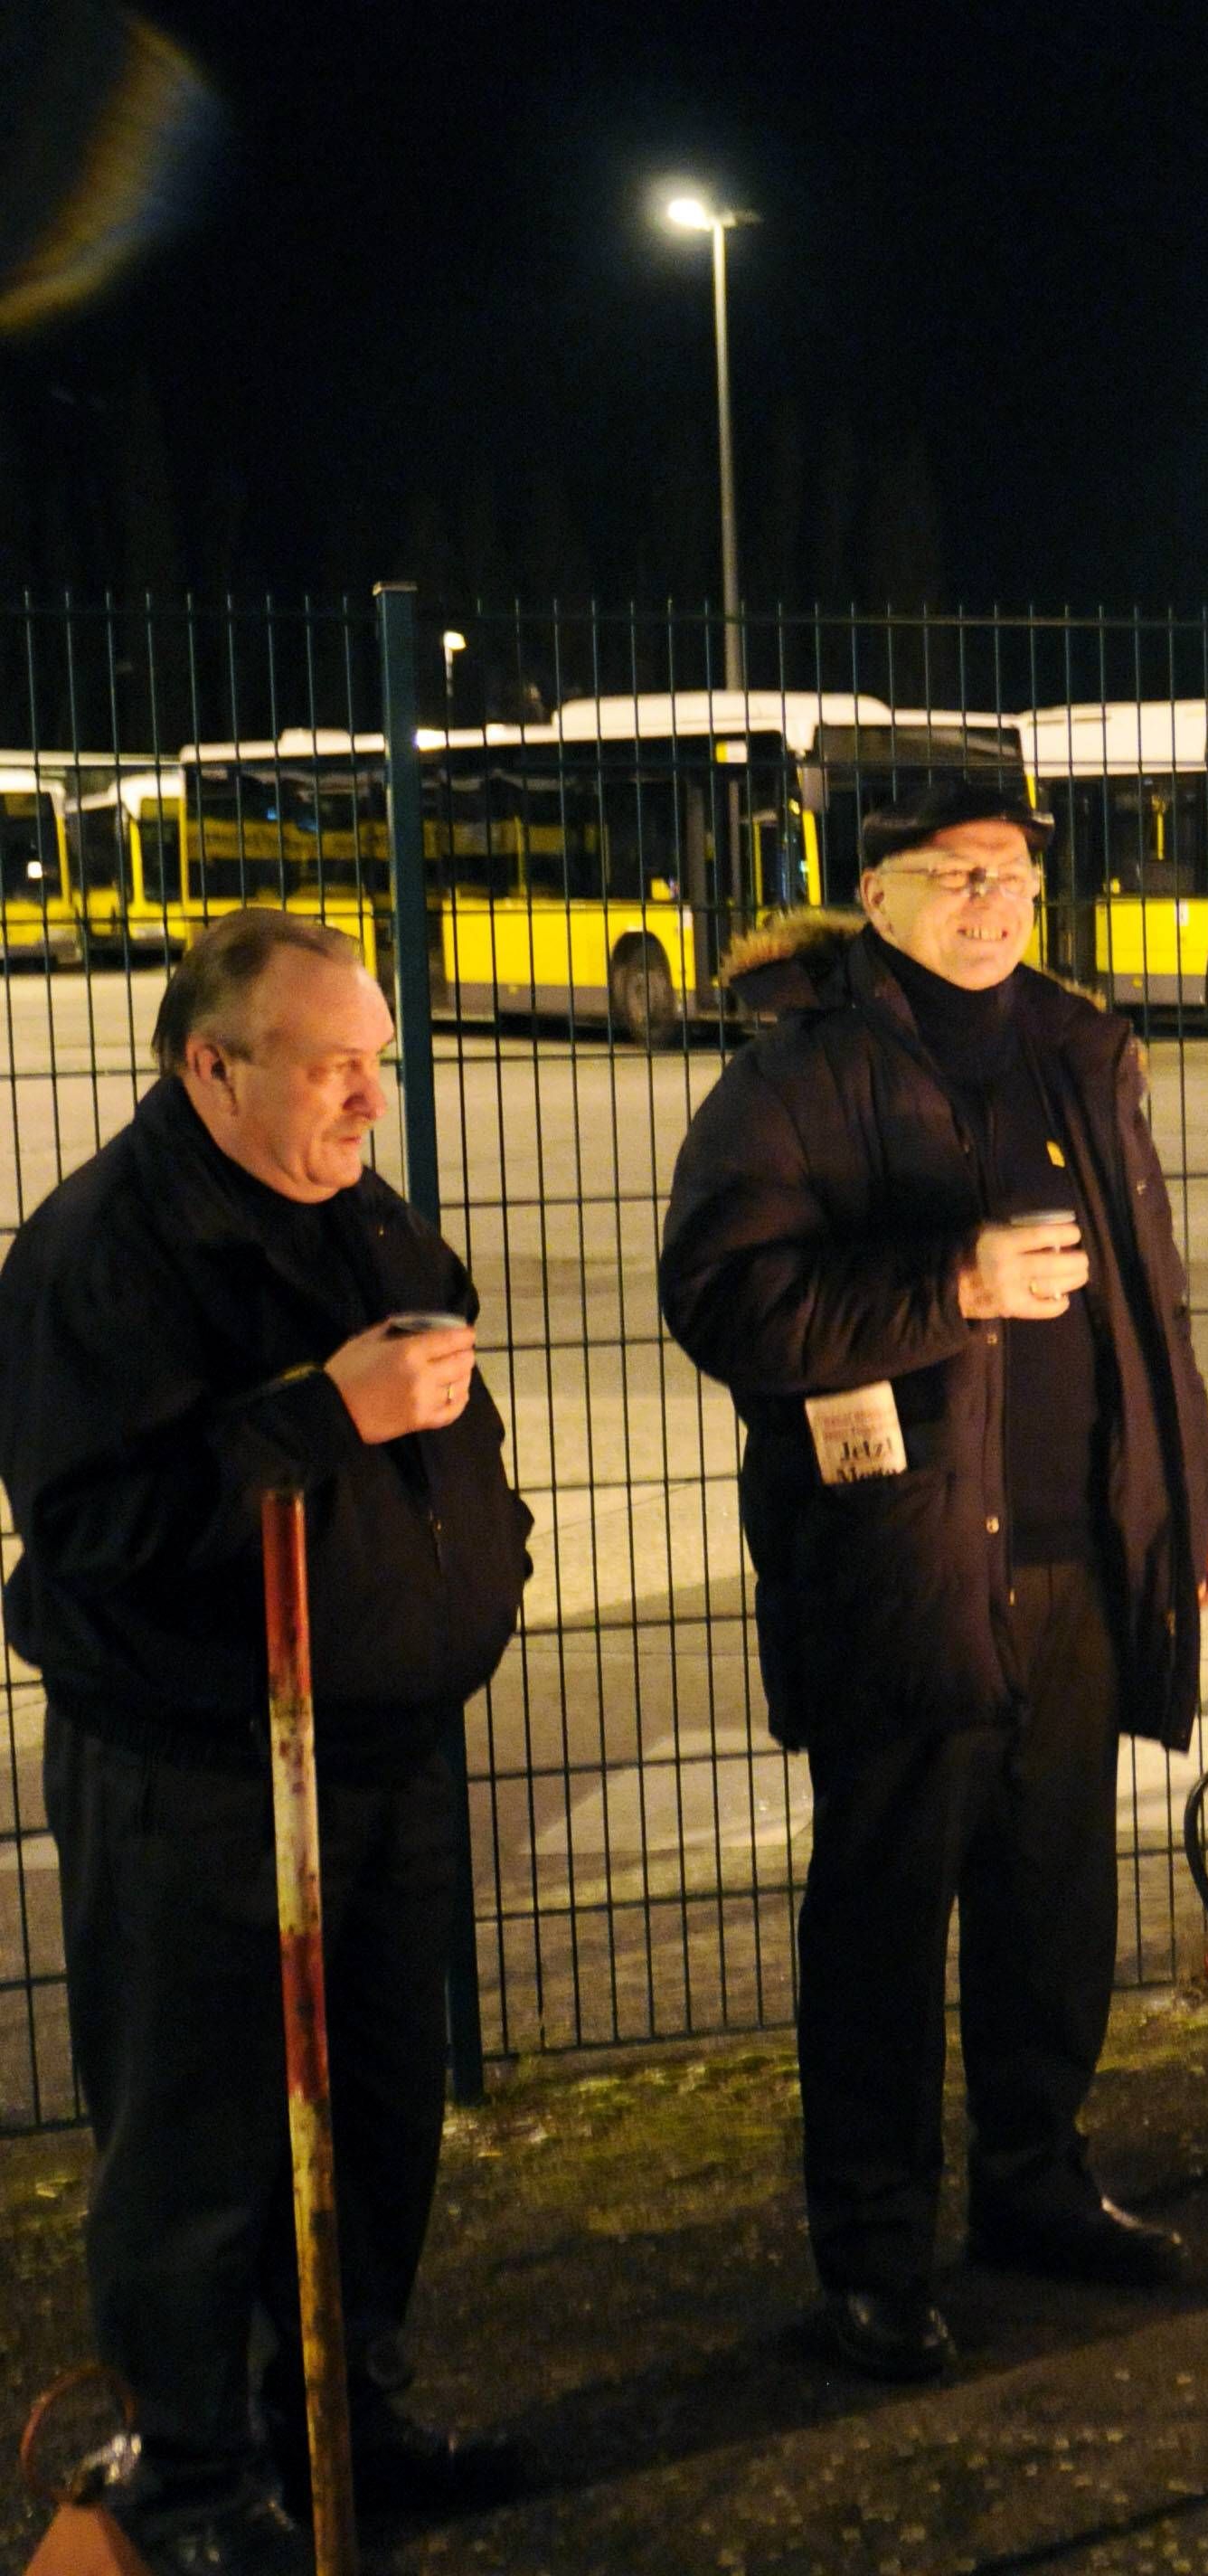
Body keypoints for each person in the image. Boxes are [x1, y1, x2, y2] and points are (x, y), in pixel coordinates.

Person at [659, 778, 1208, 2383]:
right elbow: (722, 1299)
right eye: (955, 874)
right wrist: (957, 1285)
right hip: (904, 1555)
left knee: (1053, 1888)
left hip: (1079, 1541)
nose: (992, 901)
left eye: (1014, 874)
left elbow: (1150, 1292)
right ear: (878, 896)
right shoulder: (804, 1073)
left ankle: (1037, 2187)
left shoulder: (1079, 1046)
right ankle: (871, 2255)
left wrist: (1188, 1488)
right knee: (884, 1907)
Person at [1, 910, 533, 2576]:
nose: (372, 1100)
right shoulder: (106, 1253)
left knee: (379, 2105)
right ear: (209, 1067)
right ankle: (194, 2473)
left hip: (383, 1746)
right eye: (335, 1068)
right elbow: (90, 1529)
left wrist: (485, 1554)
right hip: (201, 1770)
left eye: (381, 1063)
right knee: (200, 2131)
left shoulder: (362, 1217)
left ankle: (344, 2414)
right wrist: (323, 1415)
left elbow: (459, 1432)